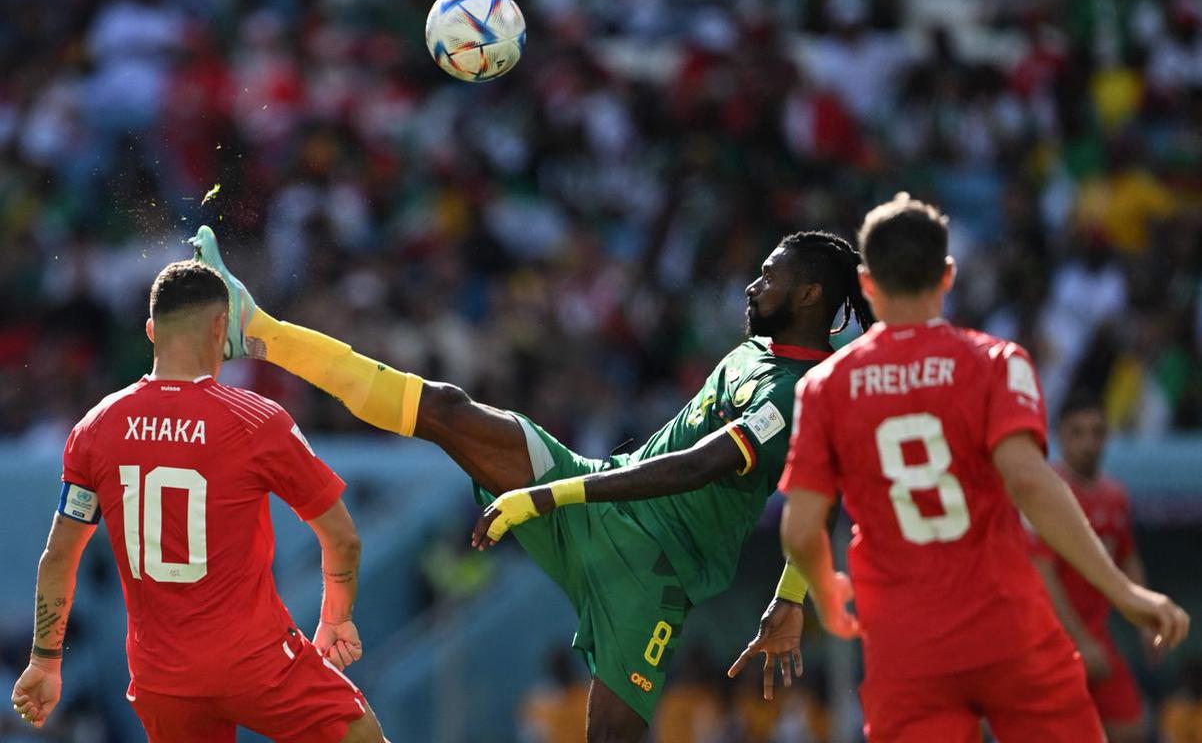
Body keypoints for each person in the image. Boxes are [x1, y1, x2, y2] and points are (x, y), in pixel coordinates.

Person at [190, 224, 873, 741]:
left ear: (809, 294)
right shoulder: (760, 351)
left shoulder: (802, 392)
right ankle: (259, 331)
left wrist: (549, 495)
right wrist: (789, 598)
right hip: (598, 496)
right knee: (448, 409)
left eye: (769, 277)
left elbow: (700, 467)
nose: (753, 286)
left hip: (651, 573)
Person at [776, 193, 1189, 742]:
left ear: (866, 282)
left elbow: (800, 529)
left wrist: (828, 600)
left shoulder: (824, 388)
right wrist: (1125, 593)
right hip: (1007, 627)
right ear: (947, 275)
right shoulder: (995, 362)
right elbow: (1030, 482)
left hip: (905, 645)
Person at [8, 261, 387, 743]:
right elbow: (342, 538)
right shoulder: (257, 421)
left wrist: (44, 662)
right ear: (220, 328)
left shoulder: (95, 427)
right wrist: (336, 618)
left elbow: (59, 556)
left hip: (162, 679)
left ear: (151, 331)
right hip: (259, 663)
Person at [1031, 393, 1149, 743]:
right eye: (1077, 432)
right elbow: (1042, 571)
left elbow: (1127, 557)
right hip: (1049, 640)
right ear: (1059, 435)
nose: (1088, 443)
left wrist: (1146, 616)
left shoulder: (1115, 496)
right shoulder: (1046, 492)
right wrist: (1080, 640)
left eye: (1097, 432)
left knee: (1130, 729)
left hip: (1098, 637)